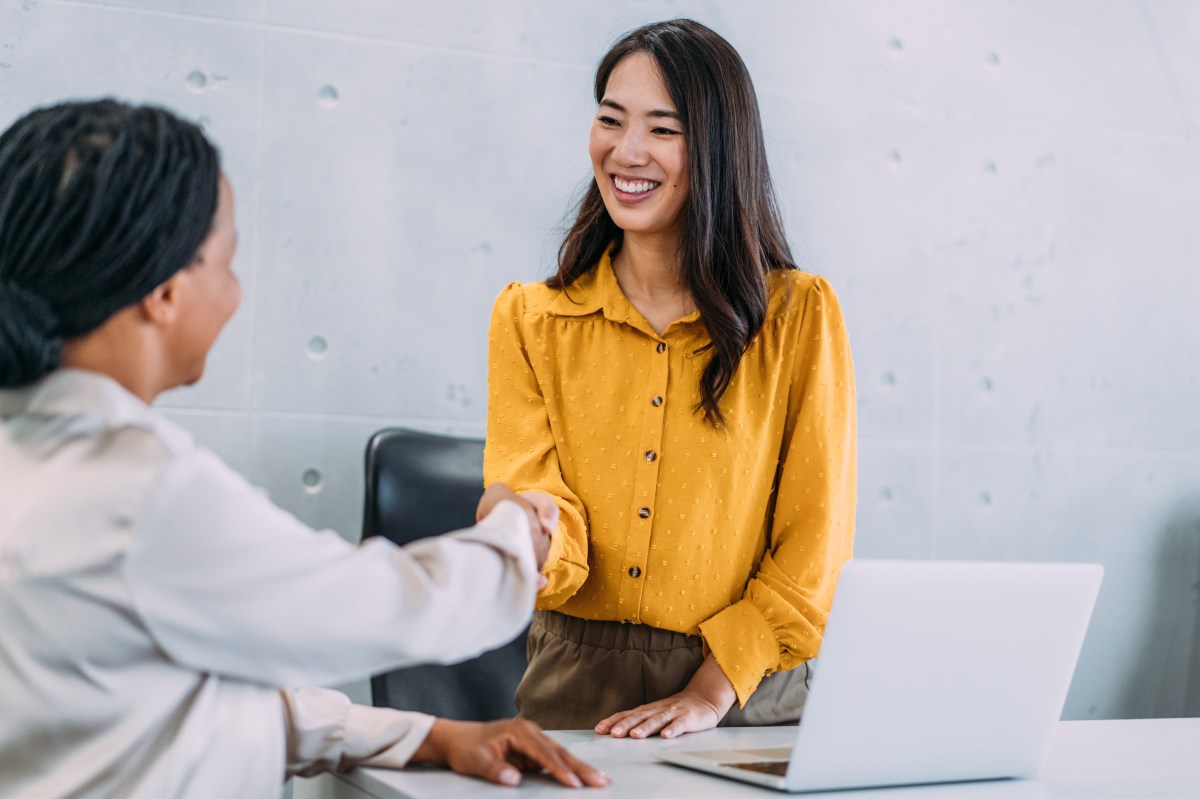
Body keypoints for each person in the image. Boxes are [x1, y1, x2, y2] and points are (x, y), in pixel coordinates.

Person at [0, 99, 608, 798]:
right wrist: (513, 533)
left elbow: (167, 688)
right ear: (164, 293)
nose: (235, 293)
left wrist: (425, 734)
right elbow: (383, 605)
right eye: (228, 264)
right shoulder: (139, 493)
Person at [484, 18, 856, 738]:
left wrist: (710, 692)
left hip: (748, 691)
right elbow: (544, 504)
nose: (626, 151)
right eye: (610, 119)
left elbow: (816, 547)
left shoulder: (798, 316)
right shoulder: (531, 318)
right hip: (576, 683)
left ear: (719, 147)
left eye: (663, 129)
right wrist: (524, 536)